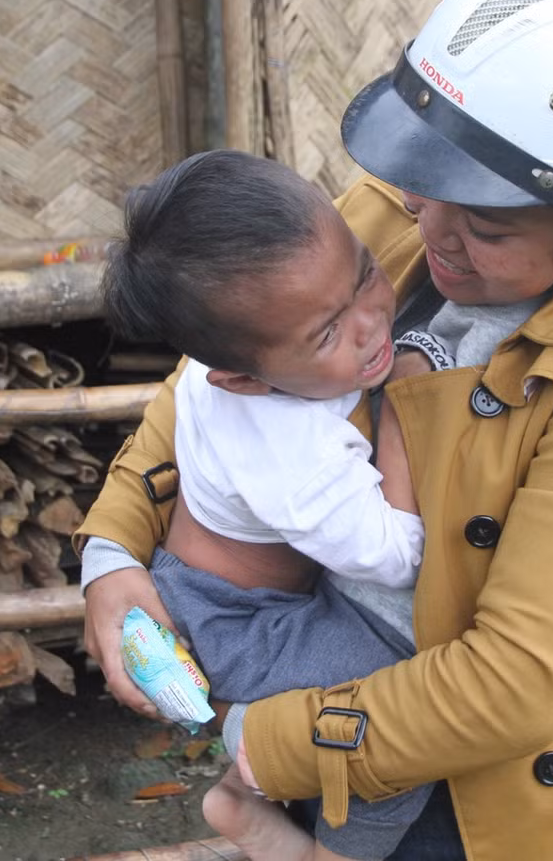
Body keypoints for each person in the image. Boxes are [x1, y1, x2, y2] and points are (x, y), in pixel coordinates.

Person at [75, 0, 553, 860]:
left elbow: (516, 678)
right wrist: (110, 551)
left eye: (486, 225)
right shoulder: (405, 209)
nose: (428, 230)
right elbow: (215, 374)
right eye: (424, 187)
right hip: (330, 709)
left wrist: (268, 740)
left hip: (493, 794)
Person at [94, 150, 442, 861]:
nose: (372, 323)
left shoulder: (248, 351)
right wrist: (407, 408)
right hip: (243, 629)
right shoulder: (293, 449)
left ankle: (242, 799)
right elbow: (397, 555)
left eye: (367, 274)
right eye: (326, 333)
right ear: (241, 380)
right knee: (398, 718)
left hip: (223, 598)